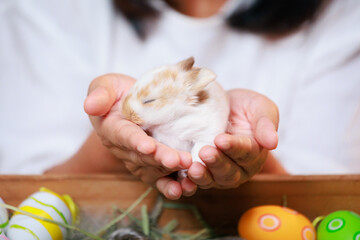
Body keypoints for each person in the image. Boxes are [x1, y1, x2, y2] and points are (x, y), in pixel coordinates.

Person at [0, 0, 359, 200]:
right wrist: (110, 147)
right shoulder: (45, 11)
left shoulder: (342, 18)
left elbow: (331, 190)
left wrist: (253, 158)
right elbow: (21, 184)